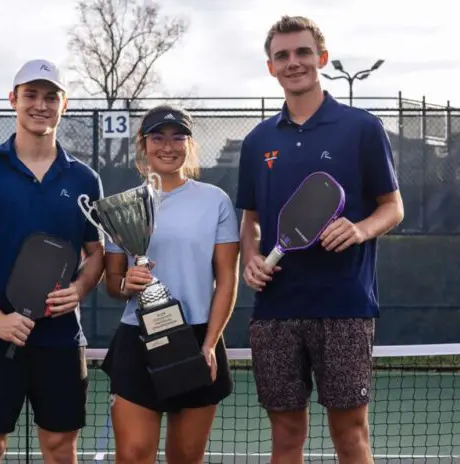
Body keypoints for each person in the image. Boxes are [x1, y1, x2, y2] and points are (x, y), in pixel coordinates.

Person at [236, 15, 405, 464]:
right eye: (282, 56)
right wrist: (251, 257)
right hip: (275, 310)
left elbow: (393, 206)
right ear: (271, 66)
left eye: (303, 52)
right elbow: (250, 220)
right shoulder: (257, 141)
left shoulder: (362, 128)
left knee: (350, 434)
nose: (294, 63)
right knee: (286, 436)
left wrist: (359, 228)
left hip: (344, 307)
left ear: (322, 59)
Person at [0, 59, 105, 464]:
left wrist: (80, 288)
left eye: (51, 96)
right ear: (13, 99)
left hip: (61, 341)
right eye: (30, 95)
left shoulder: (85, 179)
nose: (40, 104)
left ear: (63, 104)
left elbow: (96, 252)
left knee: (60, 447)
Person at [101, 104, 240, 464]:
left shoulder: (215, 201)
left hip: (195, 340)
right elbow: (112, 283)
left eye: (178, 137)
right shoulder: (124, 207)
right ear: (143, 145)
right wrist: (126, 284)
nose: (168, 146)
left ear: (189, 145)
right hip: (138, 337)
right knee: (132, 456)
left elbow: (227, 279)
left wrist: (209, 345)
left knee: (186, 458)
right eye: (158, 137)